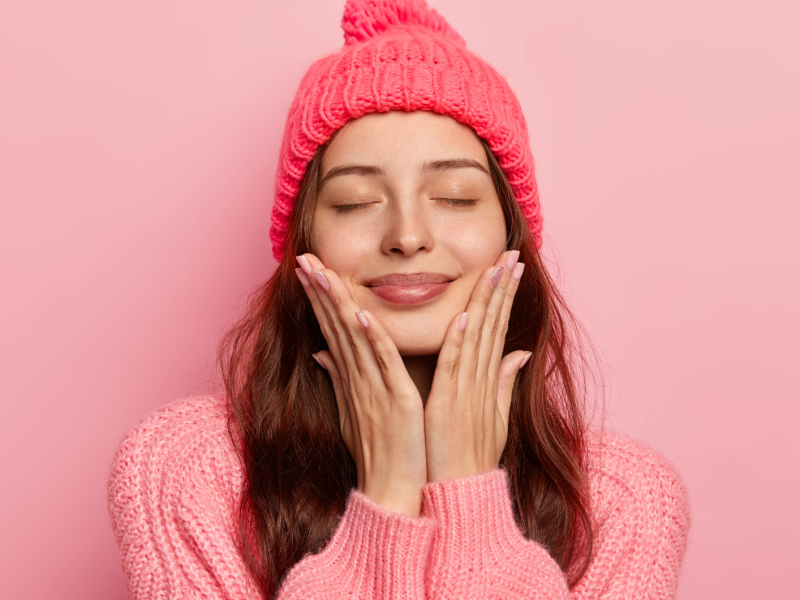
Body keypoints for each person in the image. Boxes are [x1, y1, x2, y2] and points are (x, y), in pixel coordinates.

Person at [107, 1, 690, 598]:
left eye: (457, 196)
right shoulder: (187, 468)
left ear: (511, 237)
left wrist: (470, 499)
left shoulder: (623, 500)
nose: (408, 236)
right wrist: (383, 500)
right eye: (355, 201)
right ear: (303, 241)